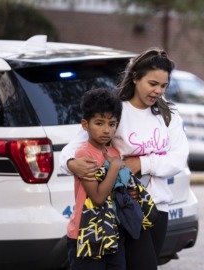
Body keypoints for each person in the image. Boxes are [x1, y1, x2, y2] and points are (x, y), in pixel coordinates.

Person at [60, 48, 190, 270]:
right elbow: (73, 148)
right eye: (152, 84)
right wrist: (72, 164)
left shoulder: (168, 115)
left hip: (158, 208)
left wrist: (140, 163)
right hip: (125, 207)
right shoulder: (117, 110)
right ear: (135, 77)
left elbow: (178, 159)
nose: (158, 91)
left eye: (163, 85)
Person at [67, 88, 125, 270]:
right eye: (99, 123)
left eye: (112, 124)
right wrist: (114, 167)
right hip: (86, 233)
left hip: (112, 232)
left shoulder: (114, 152)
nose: (106, 130)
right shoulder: (84, 153)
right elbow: (98, 198)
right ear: (85, 125)